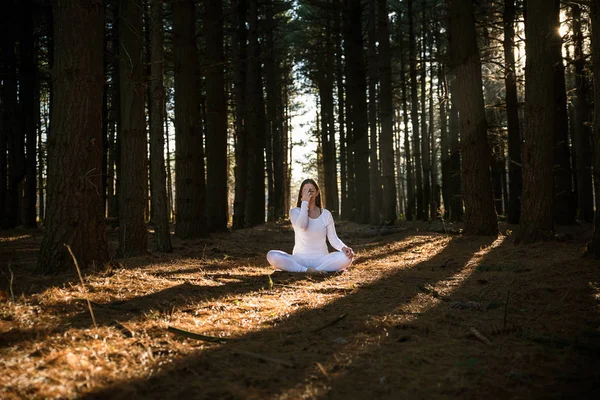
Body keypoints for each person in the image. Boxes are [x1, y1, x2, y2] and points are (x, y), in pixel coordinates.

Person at [267, 179, 355, 273]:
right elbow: (302, 226)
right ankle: (305, 270)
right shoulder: (295, 212)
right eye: (305, 191)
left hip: (322, 260)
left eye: (311, 191)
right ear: (301, 193)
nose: (308, 194)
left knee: (346, 258)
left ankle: (317, 270)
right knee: (271, 255)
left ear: (317, 193)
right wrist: (305, 203)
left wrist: (344, 248)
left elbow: (333, 238)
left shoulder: (326, 214)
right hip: (299, 260)